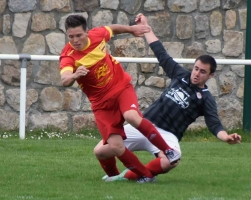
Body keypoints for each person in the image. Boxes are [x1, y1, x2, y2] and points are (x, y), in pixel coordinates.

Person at [94, 13, 242, 182]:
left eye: (202, 72)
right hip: (144, 125)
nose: (196, 74)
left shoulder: (206, 98)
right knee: (100, 151)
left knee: (173, 159)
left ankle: (127, 177)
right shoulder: (180, 75)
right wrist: (146, 26)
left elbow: (214, 124)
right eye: (196, 68)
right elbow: (160, 52)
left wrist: (227, 137)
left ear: (211, 75)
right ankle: (112, 175)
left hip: (167, 134)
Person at [59, 14, 180, 183]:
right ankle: (141, 175)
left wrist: (132, 30)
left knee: (131, 116)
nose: (75, 40)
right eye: (71, 36)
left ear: (87, 32)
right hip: (101, 104)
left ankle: (168, 151)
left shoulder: (97, 35)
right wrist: (74, 75)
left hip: (121, 87)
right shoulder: (68, 56)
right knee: (112, 147)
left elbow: (113, 29)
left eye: (78, 35)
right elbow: (64, 79)